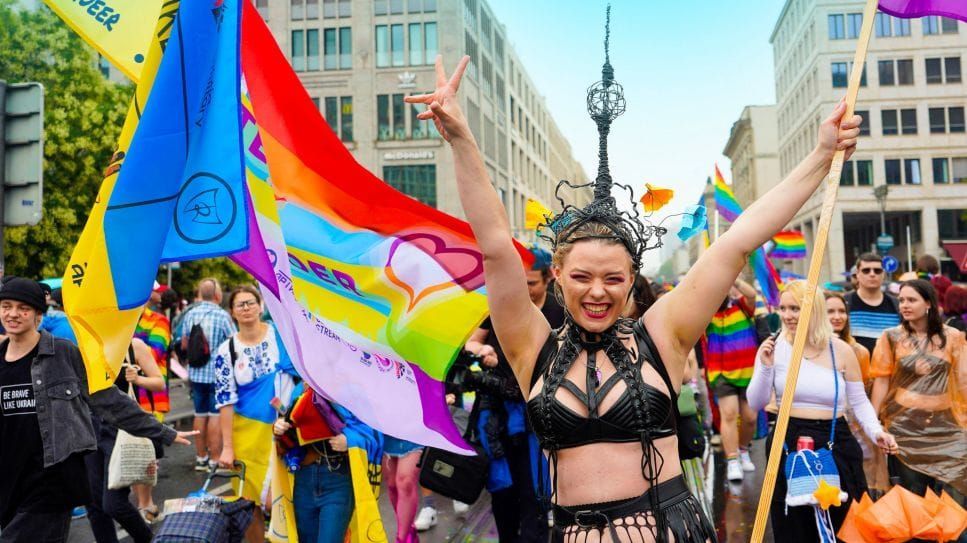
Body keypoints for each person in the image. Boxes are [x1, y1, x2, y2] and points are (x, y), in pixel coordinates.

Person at [404, 37, 862, 540]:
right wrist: (462, 139)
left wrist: (821, 156)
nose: (597, 291)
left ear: (631, 282)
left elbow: (738, 240)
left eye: (613, 278)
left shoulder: (662, 333)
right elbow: (493, 244)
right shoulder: (528, 344)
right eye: (581, 277)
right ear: (557, 276)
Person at [0, 277, 195, 542]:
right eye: (6, 306)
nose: (12, 314)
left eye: (22, 308)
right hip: (11, 479)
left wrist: (162, 432)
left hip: (51, 480)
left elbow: (108, 400)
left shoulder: (63, 354)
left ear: (37, 313)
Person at [747, 280, 897, 540]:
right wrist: (766, 366)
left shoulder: (841, 350)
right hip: (788, 440)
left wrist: (877, 433)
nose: (787, 315)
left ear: (813, 309)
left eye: (794, 308)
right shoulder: (773, 347)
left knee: (845, 524)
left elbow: (858, 401)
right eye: (783, 308)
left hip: (835, 440)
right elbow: (755, 402)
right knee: (794, 526)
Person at [463, 244, 564, 543]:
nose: (523, 290)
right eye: (517, 281)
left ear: (549, 279)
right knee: (503, 495)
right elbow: (469, 344)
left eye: (530, 283)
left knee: (535, 496)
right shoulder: (497, 305)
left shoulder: (561, 311)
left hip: (543, 421)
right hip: (500, 419)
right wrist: (481, 351)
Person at [870, 279, 967, 503]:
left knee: (950, 496)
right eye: (902, 300)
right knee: (912, 495)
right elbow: (882, 380)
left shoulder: (953, 337)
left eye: (911, 300)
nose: (904, 305)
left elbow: (962, 380)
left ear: (928, 304)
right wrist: (874, 423)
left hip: (946, 427)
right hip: (904, 428)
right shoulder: (891, 337)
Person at [215, 285, 298, 543]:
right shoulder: (226, 351)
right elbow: (225, 402)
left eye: (251, 302)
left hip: (288, 431)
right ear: (232, 312)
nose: (247, 308)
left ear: (261, 306)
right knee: (249, 505)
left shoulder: (281, 337)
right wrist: (227, 448)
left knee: (285, 500)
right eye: (240, 304)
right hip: (247, 437)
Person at [85, 337, 167, 543]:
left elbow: (159, 383)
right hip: (91, 428)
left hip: (123, 430)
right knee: (94, 505)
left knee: (113, 504)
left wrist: (138, 379)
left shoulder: (133, 346)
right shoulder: (86, 344)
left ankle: (148, 539)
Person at [273, 390, 381, 543]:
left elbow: (374, 435)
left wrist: (350, 440)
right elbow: (287, 437)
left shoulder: (356, 396)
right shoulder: (300, 393)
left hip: (338, 481)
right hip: (303, 481)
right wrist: (279, 427)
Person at [825, 290, 889, 494]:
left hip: (858, 428)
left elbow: (864, 395)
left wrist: (873, 426)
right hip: (825, 426)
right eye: (830, 311)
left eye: (842, 311)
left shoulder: (859, 351)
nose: (837, 317)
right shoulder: (809, 350)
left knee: (864, 486)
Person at [704, 278, 759, 482]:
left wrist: (732, 276)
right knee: (728, 415)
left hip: (748, 372)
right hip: (720, 373)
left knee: (750, 418)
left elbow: (752, 294)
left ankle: (743, 450)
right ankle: (733, 460)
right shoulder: (706, 315)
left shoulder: (743, 307)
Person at [177, 277, 236, 471]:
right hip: (217, 375)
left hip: (195, 374)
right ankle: (214, 459)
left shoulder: (190, 314)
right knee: (215, 416)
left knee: (199, 414)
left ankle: (200, 457)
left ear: (201, 294)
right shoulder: (222, 316)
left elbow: (184, 343)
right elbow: (234, 343)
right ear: (218, 295)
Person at [131, 282, 172, 521]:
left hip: (150, 398)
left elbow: (155, 353)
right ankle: (141, 503)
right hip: (124, 397)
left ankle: (146, 504)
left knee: (146, 454)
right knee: (133, 452)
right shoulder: (119, 320)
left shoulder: (158, 321)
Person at [846, 253, 900, 353]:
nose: (872, 274)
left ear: (883, 274)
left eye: (877, 271)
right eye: (866, 270)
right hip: (854, 367)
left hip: (889, 367)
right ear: (857, 274)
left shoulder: (897, 305)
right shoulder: (845, 303)